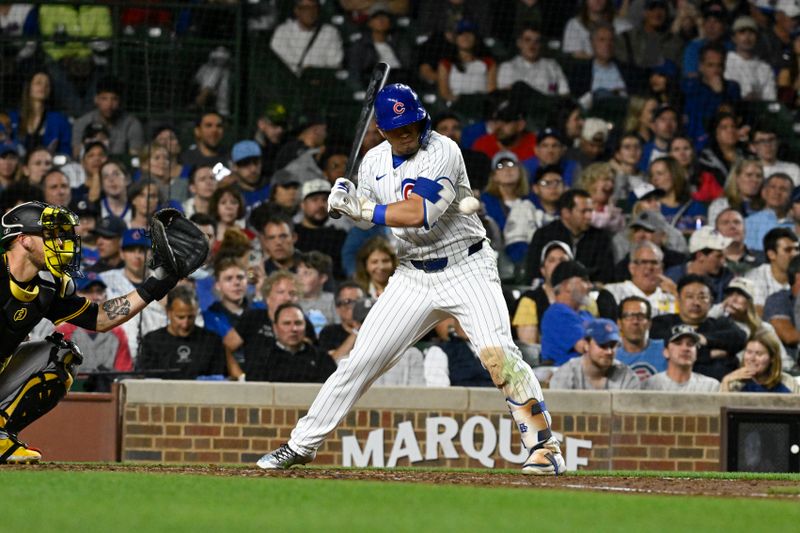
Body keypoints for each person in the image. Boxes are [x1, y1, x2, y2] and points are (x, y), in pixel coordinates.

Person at [258, 83, 567, 474]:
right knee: (359, 362)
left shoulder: (443, 150)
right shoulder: (372, 161)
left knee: (498, 354)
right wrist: (343, 202)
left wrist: (363, 208)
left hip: (467, 266)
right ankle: (300, 444)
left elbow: (418, 213)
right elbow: (366, 209)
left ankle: (544, 448)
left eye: (413, 125)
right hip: (412, 274)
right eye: (398, 129)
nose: (408, 134)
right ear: (382, 130)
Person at [0, 201, 184, 463]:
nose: (61, 243)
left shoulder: (47, 287)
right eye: (51, 234)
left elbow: (100, 318)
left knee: (62, 356)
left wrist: (156, 285)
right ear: (24, 239)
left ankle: (0, 437)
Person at [650, 274, 747, 381]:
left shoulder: (721, 324)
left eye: (702, 297)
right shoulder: (661, 323)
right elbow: (660, 351)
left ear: (711, 301)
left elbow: (740, 338)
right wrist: (708, 354)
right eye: (689, 296)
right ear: (678, 299)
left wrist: (704, 339)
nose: (696, 303)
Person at [526, 189, 615, 284]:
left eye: (590, 211)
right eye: (584, 211)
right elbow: (533, 272)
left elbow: (606, 274)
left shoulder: (600, 238)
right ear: (566, 213)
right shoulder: (544, 235)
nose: (589, 216)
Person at [54, 271, 132, 379]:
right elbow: (55, 373)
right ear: (77, 296)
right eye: (88, 291)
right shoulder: (63, 332)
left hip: (107, 392)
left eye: (99, 292)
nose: (96, 297)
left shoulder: (118, 333)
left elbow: (123, 374)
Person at [138, 285, 225, 380]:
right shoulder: (151, 341)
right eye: (180, 317)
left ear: (196, 312)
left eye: (191, 317)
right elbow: (147, 381)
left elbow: (217, 381)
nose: (185, 324)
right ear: (168, 312)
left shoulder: (212, 341)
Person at [245, 303, 336, 383]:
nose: (294, 329)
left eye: (298, 323)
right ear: (275, 328)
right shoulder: (260, 359)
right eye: (287, 323)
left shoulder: (322, 359)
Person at [549, 318, 640, 390]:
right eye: (602, 345)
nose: (608, 351)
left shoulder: (627, 376)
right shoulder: (565, 375)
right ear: (586, 345)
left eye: (612, 345)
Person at [681, 43, 741, 148]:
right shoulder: (688, 87)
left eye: (719, 65)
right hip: (692, 144)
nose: (716, 70)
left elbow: (726, 117)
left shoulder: (732, 88)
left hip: (721, 145)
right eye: (710, 65)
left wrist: (719, 94)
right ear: (700, 66)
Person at [512, 241, 573, 345]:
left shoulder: (583, 299)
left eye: (562, 260)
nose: (558, 265)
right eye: (552, 260)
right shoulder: (529, 300)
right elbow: (531, 350)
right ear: (543, 270)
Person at [71, 76, 143, 159]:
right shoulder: (82, 122)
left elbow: (135, 158)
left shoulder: (132, 124)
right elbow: (76, 156)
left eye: (114, 99)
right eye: (104, 99)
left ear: (120, 101)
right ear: (96, 100)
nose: (109, 104)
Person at [539, 260, 594, 366]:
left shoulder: (586, 314)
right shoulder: (556, 314)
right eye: (585, 281)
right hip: (564, 377)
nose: (590, 286)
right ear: (567, 286)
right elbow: (585, 347)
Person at [269, 0, 344, 76]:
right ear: (297, 11)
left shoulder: (330, 32)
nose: (310, 12)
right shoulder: (283, 31)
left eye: (314, 8)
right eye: (306, 8)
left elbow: (334, 64)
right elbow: (277, 61)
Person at [7, 70, 71, 156]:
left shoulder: (59, 120)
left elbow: (65, 151)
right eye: (38, 83)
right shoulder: (12, 118)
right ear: (28, 87)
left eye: (47, 84)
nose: (43, 87)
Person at [605, 241, 678, 316]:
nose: (649, 267)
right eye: (643, 262)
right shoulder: (613, 292)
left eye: (654, 262)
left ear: (662, 268)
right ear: (632, 268)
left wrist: (676, 293)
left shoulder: (672, 297)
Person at [294, 179, 347, 280]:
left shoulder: (339, 236)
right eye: (314, 200)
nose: (321, 205)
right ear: (302, 205)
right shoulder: (292, 234)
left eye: (325, 200)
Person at [642, 324, 720, 391]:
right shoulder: (652, 385)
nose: (685, 349)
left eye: (690, 344)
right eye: (678, 343)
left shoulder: (710, 387)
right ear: (666, 352)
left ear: (696, 353)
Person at [497, 24, 570, 96]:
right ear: (519, 43)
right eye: (527, 40)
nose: (532, 45)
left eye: (537, 41)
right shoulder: (507, 67)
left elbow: (564, 93)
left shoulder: (552, 66)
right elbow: (503, 98)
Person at [720, 329, 799, 393]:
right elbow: (723, 411)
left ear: (772, 358)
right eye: (749, 352)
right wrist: (726, 382)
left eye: (759, 354)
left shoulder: (788, 383)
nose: (752, 358)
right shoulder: (733, 384)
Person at [744, 227, 799, 310]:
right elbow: (756, 314)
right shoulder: (755, 277)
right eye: (788, 250)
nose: (795, 254)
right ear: (771, 254)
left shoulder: (798, 275)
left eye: (797, 249)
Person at [724, 16, 776, 101]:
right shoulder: (724, 62)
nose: (747, 37)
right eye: (742, 32)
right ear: (733, 38)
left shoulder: (765, 68)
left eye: (751, 32)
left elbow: (770, 99)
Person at [615, 296, 667, 381]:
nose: (635, 321)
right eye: (629, 316)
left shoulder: (666, 349)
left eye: (641, 316)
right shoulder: (610, 355)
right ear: (619, 323)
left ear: (649, 323)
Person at [744, 172, 795, 253]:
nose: (777, 192)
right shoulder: (748, 223)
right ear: (764, 193)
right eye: (773, 187)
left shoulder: (796, 225)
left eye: (783, 189)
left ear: (791, 196)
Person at [471, 99, 537, 162]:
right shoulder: (482, 145)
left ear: (520, 125)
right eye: (496, 121)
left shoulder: (536, 145)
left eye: (506, 121)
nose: (499, 126)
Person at [317, 281, 364, 362]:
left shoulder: (375, 328)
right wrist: (356, 331)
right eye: (348, 302)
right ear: (338, 309)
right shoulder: (329, 332)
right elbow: (330, 363)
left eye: (359, 301)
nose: (355, 306)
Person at [707, 159, 764, 225]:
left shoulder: (766, 206)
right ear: (737, 178)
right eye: (749, 175)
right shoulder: (720, 205)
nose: (754, 180)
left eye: (758, 176)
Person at [297, 251, 337, 334]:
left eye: (306, 273)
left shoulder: (333, 301)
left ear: (322, 278)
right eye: (298, 273)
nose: (299, 278)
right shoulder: (290, 301)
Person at [714, 207, 760, 276]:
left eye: (737, 222)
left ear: (745, 229)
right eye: (725, 223)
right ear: (716, 232)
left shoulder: (761, 259)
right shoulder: (711, 262)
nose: (732, 226)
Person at [229, 140, 270, 210]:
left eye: (256, 162)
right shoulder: (230, 195)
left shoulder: (272, 187)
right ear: (234, 167)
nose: (253, 169)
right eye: (245, 163)